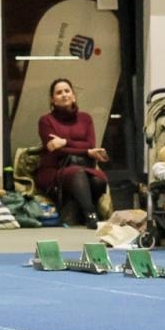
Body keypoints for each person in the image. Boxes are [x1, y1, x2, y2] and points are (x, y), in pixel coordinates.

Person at [33, 78, 108, 232]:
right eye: (59, 92)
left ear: (74, 96)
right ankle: (90, 214)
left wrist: (65, 142)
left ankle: (77, 210)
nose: (64, 95)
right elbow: (56, 149)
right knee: (77, 173)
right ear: (52, 99)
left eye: (67, 91)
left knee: (99, 179)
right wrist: (86, 152)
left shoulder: (85, 118)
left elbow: (90, 144)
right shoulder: (45, 121)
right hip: (54, 169)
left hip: (81, 166)